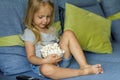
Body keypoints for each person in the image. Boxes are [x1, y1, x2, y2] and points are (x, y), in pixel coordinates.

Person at [21, 0, 104, 79]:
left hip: (61, 61)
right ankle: (82, 72)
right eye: (41, 17)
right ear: (31, 15)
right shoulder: (29, 33)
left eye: (48, 16)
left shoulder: (52, 29)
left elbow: (59, 43)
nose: (45, 20)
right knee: (46, 69)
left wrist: (61, 47)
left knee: (68, 33)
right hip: (43, 65)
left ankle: (84, 65)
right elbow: (31, 57)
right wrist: (45, 61)